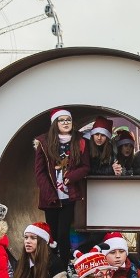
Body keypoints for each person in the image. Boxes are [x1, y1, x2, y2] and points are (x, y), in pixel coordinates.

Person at [33, 108, 90, 261]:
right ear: (55, 123)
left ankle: (64, 265)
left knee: (64, 232)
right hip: (50, 196)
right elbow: (40, 172)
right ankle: (51, 264)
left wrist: (72, 176)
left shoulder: (80, 142)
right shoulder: (44, 143)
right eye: (62, 120)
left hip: (68, 194)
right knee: (52, 234)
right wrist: (49, 193)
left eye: (68, 120)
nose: (66, 123)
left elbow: (85, 167)